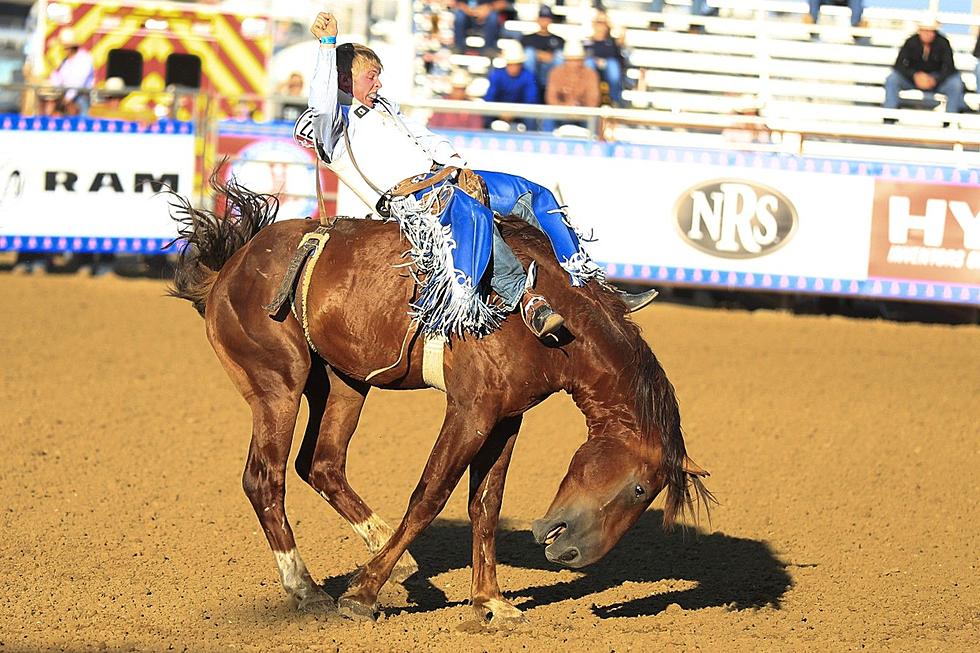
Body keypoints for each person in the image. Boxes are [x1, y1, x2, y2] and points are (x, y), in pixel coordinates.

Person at [295, 12, 607, 339]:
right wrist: (328, 45)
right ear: (345, 81)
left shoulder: (385, 107)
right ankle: (525, 301)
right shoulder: (332, 127)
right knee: (473, 214)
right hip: (410, 202)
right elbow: (322, 104)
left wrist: (454, 162)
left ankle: (584, 278)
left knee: (533, 193)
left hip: (442, 177)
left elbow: (425, 136)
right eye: (371, 76)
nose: (379, 83)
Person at [884, 16, 964, 116]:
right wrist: (915, 76)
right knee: (892, 79)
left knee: (955, 83)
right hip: (912, 80)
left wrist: (935, 79)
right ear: (919, 30)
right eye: (924, 30)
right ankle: (889, 116)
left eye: (931, 31)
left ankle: (950, 119)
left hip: (937, 81)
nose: (927, 34)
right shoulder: (911, 42)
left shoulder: (943, 43)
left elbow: (950, 68)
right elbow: (899, 65)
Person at [545, 40, 599, 129]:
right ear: (565, 60)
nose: (575, 64)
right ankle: (547, 140)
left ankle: (591, 142)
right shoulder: (556, 73)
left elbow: (593, 101)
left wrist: (579, 108)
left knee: (593, 119)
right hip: (561, 112)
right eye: (571, 61)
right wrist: (564, 106)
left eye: (578, 60)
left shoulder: (590, 74)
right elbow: (551, 98)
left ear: (583, 60)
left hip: (583, 114)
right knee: (548, 117)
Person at [483, 44, 539, 128]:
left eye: (516, 64)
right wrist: (500, 112)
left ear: (521, 65)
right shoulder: (497, 75)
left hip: (521, 113)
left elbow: (531, 100)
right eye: (510, 64)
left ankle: (530, 139)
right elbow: (490, 98)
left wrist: (515, 112)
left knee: (530, 118)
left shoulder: (528, 77)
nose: (513, 68)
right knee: (485, 115)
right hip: (498, 111)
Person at [520, 5, 565, 99]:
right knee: (529, 53)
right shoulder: (527, 39)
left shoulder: (559, 40)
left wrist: (545, 56)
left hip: (551, 74)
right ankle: (530, 90)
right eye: (542, 18)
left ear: (551, 20)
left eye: (547, 19)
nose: (544, 21)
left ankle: (555, 92)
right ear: (537, 19)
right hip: (532, 75)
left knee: (559, 56)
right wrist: (540, 55)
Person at [48, 28, 94, 115]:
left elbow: (79, 81)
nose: (62, 49)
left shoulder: (84, 59)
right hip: (66, 98)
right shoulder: (65, 61)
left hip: (79, 99)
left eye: (63, 47)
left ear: (69, 47)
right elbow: (58, 79)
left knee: (80, 125)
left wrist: (67, 98)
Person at [584, 13, 626, 107]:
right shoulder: (587, 42)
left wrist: (612, 26)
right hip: (592, 69)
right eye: (599, 22)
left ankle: (615, 100)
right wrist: (597, 61)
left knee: (612, 65)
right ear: (594, 24)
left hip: (609, 69)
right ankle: (589, 99)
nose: (601, 25)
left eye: (604, 23)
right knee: (589, 63)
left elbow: (622, 39)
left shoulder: (613, 42)